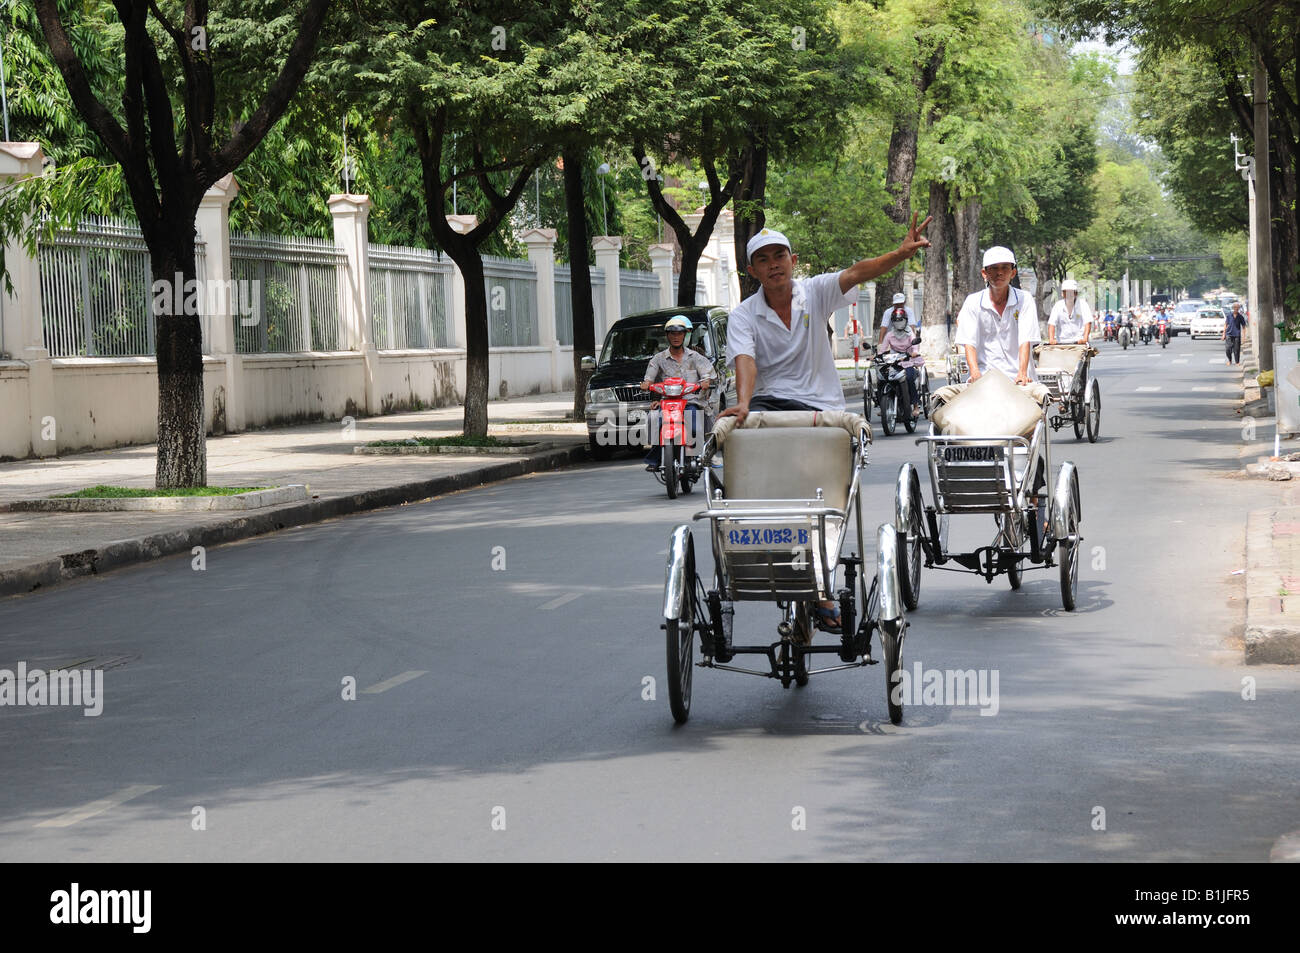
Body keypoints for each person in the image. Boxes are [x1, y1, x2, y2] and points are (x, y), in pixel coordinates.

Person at [720, 216, 932, 631]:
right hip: (769, 409)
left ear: (792, 260)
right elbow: (744, 360)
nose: (774, 264)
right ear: (753, 271)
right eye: (763, 259)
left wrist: (900, 253)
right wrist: (742, 405)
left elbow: (857, 271)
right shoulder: (743, 316)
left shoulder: (814, 292)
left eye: (780, 255)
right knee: (761, 487)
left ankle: (820, 582)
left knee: (825, 502)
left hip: (825, 412)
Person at [953, 245, 1040, 385]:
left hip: (1018, 379)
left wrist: (1022, 373)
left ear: (1013, 273)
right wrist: (975, 372)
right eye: (994, 268)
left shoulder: (1025, 299)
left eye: (1005, 267)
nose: (999, 273)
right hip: (985, 377)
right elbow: (969, 342)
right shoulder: (973, 302)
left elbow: (1025, 339)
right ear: (984, 273)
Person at [640, 315, 716, 470]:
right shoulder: (658, 358)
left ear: (684, 335)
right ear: (667, 336)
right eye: (672, 334)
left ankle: (698, 457)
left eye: (679, 333)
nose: (676, 337)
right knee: (656, 422)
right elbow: (650, 377)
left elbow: (708, 373)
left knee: (694, 427)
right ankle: (655, 458)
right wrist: (647, 383)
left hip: (690, 402)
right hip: (667, 403)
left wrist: (706, 381)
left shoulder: (695, 356)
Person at [880, 309, 925, 418]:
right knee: (883, 378)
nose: (899, 323)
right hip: (894, 362)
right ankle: (884, 406)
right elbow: (882, 349)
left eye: (901, 321)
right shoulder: (890, 335)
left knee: (909, 378)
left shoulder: (910, 333)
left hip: (908, 360)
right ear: (893, 322)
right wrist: (879, 355)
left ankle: (915, 406)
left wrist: (914, 352)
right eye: (896, 321)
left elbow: (915, 346)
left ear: (906, 321)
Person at [1047, 279, 1093, 345]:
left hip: (1079, 341)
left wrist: (1085, 338)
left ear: (1076, 293)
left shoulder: (1083, 304)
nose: (1069, 295)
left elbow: (1088, 322)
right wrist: (1051, 339)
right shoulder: (1058, 305)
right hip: (1061, 342)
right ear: (1063, 294)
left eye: (1071, 292)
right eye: (1066, 292)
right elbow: (1052, 323)